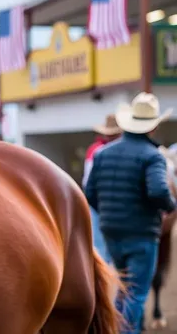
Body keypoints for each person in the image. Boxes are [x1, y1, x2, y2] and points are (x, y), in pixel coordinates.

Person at [85, 92, 176, 333]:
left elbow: (90, 192)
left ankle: (112, 328)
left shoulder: (103, 154)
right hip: (142, 235)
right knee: (136, 294)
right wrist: (171, 206)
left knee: (123, 289)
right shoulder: (152, 156)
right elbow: (158, 191)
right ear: (153, 127)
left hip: (112, 234)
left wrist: (108, 213)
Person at [81, 114, 121, 264]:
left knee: (100, 246)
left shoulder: (95, 150)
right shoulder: (109, 152)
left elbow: (87, 183)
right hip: (113, 205)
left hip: (98, 203)